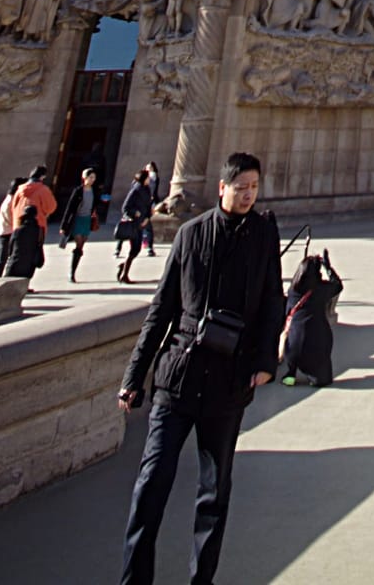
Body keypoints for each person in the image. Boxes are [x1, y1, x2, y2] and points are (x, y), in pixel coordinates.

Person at [117, 150, 285, 585]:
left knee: (214, 492)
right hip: (178, 378)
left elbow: (272, 300)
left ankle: (201, 580)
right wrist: (134, 377)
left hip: (228, 382)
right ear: (221, 188)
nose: (249, 195)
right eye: (241, 187)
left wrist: (266, 359)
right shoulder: (190, 236)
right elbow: (161, 311)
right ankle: (134, 578)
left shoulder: (264, 236)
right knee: (151, 484)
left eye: (255, 188)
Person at [280, 247, 343, 388]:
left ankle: (290, 374)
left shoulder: (293, 290)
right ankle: (315, 377)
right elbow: (338, 286)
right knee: (322, 379)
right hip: (315, 347)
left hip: (292, 348)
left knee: (296, 334)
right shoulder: (320, 289)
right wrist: (328, 267)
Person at [58, 167, 105, 283]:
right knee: (79, 244)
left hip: (87, 220)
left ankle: (75, 266)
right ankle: (72, 272)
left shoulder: (95, 191)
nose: (92, 180)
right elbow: (69, 208)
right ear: (84, 177)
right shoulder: (78, 191)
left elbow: (96, 204)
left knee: (82, 244)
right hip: (77, 219)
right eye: (90, 177)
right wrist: (63, 225)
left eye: (94, 177)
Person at [11, 164, 57, 269]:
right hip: (37, 225)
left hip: (19, 224)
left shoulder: (20, 189)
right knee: (32, 253)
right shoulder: (43, 190)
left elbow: (14, 206)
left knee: (17, 251)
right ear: (42, 177)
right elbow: (51, 207)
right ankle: (26, 277)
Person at [115, 169, 154, 283]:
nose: (149, 180)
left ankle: (124, 268)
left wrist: (147, 218)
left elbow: (148, 206)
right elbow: (125, 207)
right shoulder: (136, 190)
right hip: (134, 224)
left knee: (136, 249)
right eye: (147, 178)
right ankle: (124, 274)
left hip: (142, 223)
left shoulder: (147, 190)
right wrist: (135, 213)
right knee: (135, 248)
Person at [0, 179, 21, 278]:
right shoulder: (11, 201)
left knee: (1, 258)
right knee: (2, 259)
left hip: (3, 231)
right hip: (6, 232)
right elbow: (11, 218)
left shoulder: (8, 199)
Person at [142, 160, 161, 258]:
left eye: (151, 168)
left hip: (150, 202)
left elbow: (154, 190)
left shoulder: (154, 178)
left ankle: (148, 244)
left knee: (148, 223)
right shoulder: (141, 181)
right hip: (141, 204)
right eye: (147, 168)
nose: (149, 170)